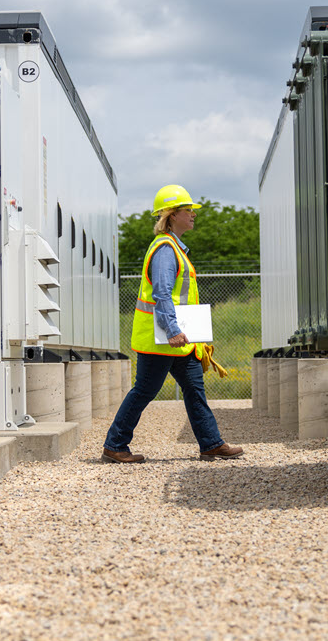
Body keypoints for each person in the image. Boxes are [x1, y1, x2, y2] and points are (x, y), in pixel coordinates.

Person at [102, 184, 244, 464]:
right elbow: (162, 294)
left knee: (194, 390)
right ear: (172, 215)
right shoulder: (166, 250)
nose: (193, 215)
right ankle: (115, 445)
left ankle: (211, 443)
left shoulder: (176, 249)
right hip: (164, 339)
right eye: (187, 210)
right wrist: (173, 329)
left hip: (178, 341)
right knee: (144, 391)